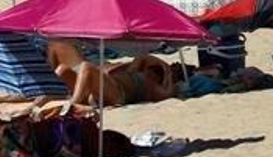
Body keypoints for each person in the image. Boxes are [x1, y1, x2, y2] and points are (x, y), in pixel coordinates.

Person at [49, 41, 177, 107]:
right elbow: (143, 57)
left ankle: (73, 104)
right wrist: (163, 65)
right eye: (150, 69)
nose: (149, 70)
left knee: (87, 67)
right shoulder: (134, 72)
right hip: (99, 91)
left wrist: (168, 73)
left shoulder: (151, 85)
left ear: (158, 77)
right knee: (62, 69)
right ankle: (58, 97)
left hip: (116, 94)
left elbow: (168, 94)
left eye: (154, 70)